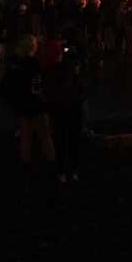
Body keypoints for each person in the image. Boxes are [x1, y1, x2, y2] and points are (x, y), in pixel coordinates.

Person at [1, 34, 55, 168]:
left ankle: (26, 166)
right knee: (45, 136)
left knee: (25, 137)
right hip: (36, 105)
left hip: (21, 105)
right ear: (32, 47)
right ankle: (52, 163)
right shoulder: (34, 63)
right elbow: (37, 86)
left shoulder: (14, 63)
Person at [46, 31, 87, 182]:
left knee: (61, 142)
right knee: (74, 142)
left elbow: (50, 91)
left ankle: (61, 171)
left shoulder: (53, 71)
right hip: (74, 110)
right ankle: (74, 170)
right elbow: (83, 91)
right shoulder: (76, 74)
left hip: (59, 111)